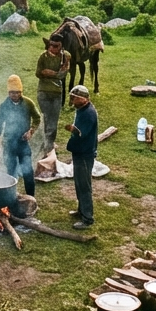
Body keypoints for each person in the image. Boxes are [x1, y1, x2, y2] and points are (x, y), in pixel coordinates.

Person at [0, 75, 41, 197]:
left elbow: (37, 118)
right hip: (9, 143)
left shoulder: (28, 103)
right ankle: (10, 197)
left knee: (28, 172)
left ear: (21, 92)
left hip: (23, 143)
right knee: (10, 172)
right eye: (12, 92)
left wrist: (31, 131)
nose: (14, 95)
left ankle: (31, 198)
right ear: (8, 92)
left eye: (17, 92)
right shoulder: (4, 105)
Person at [64, 85, 98, 229]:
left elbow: (81, 134)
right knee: (79, 183)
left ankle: (87, 218)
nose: (72, 100)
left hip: (85, 154)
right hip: (79, 152)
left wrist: (73, 130)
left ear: (84, 99)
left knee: (84, 186)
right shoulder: (81, 110)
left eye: (75, 98)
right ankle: (81, 210)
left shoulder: (88, 113)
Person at [35, 34, 71, 158]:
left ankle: (48, 145)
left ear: (61, 46)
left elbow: (62, 74)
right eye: (51, 45)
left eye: (56, 46)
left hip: (56, 93)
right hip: (43, 92)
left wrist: (49, 73)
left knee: (53, 122)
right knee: (46, 119)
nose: (53, 48)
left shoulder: (65, 57)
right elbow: (38, 73)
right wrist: (50, 73)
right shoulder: (43, 57)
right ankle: (47, 145)